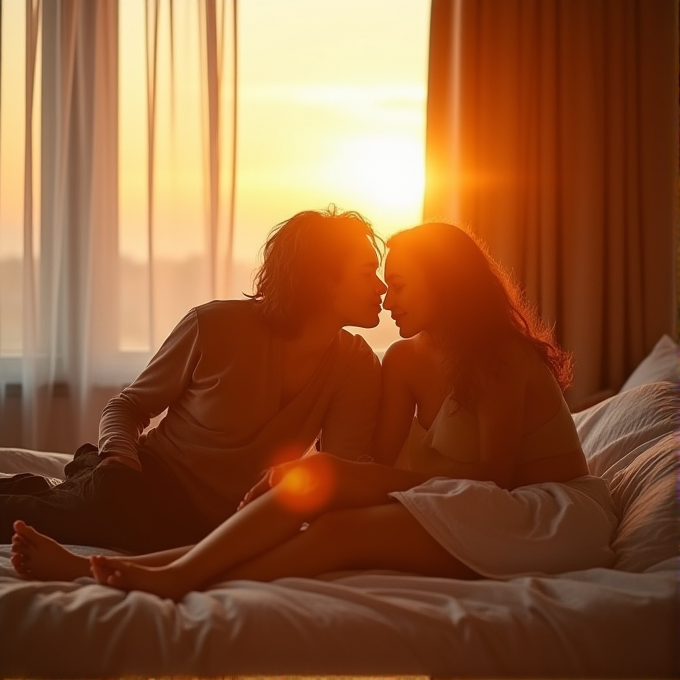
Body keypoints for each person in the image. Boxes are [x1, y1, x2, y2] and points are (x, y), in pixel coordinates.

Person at [10, 222, 618, 597]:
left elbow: (490, 477)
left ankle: (160, 572)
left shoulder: (493, 357)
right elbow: (365, 469)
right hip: (152, 479)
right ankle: (134, 562)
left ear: (447, 283)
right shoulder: (397, 362)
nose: (386, 292)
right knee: (323, 509)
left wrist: (327, 478)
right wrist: (317, 481)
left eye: (400, 282)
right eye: (379, 277)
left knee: (331, 516)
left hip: (537, 512)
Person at [1, 207, 386, 553]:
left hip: (219, 523)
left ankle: (55, 489)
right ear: (321, 278)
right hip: (145, 483)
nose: (381, 287)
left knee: (149, 533)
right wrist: (118, 459)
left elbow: (342, 468)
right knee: (101, 509)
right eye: (368, 272)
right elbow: (128, 406)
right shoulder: (215, 325)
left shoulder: (357, 365)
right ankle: (76, 483)